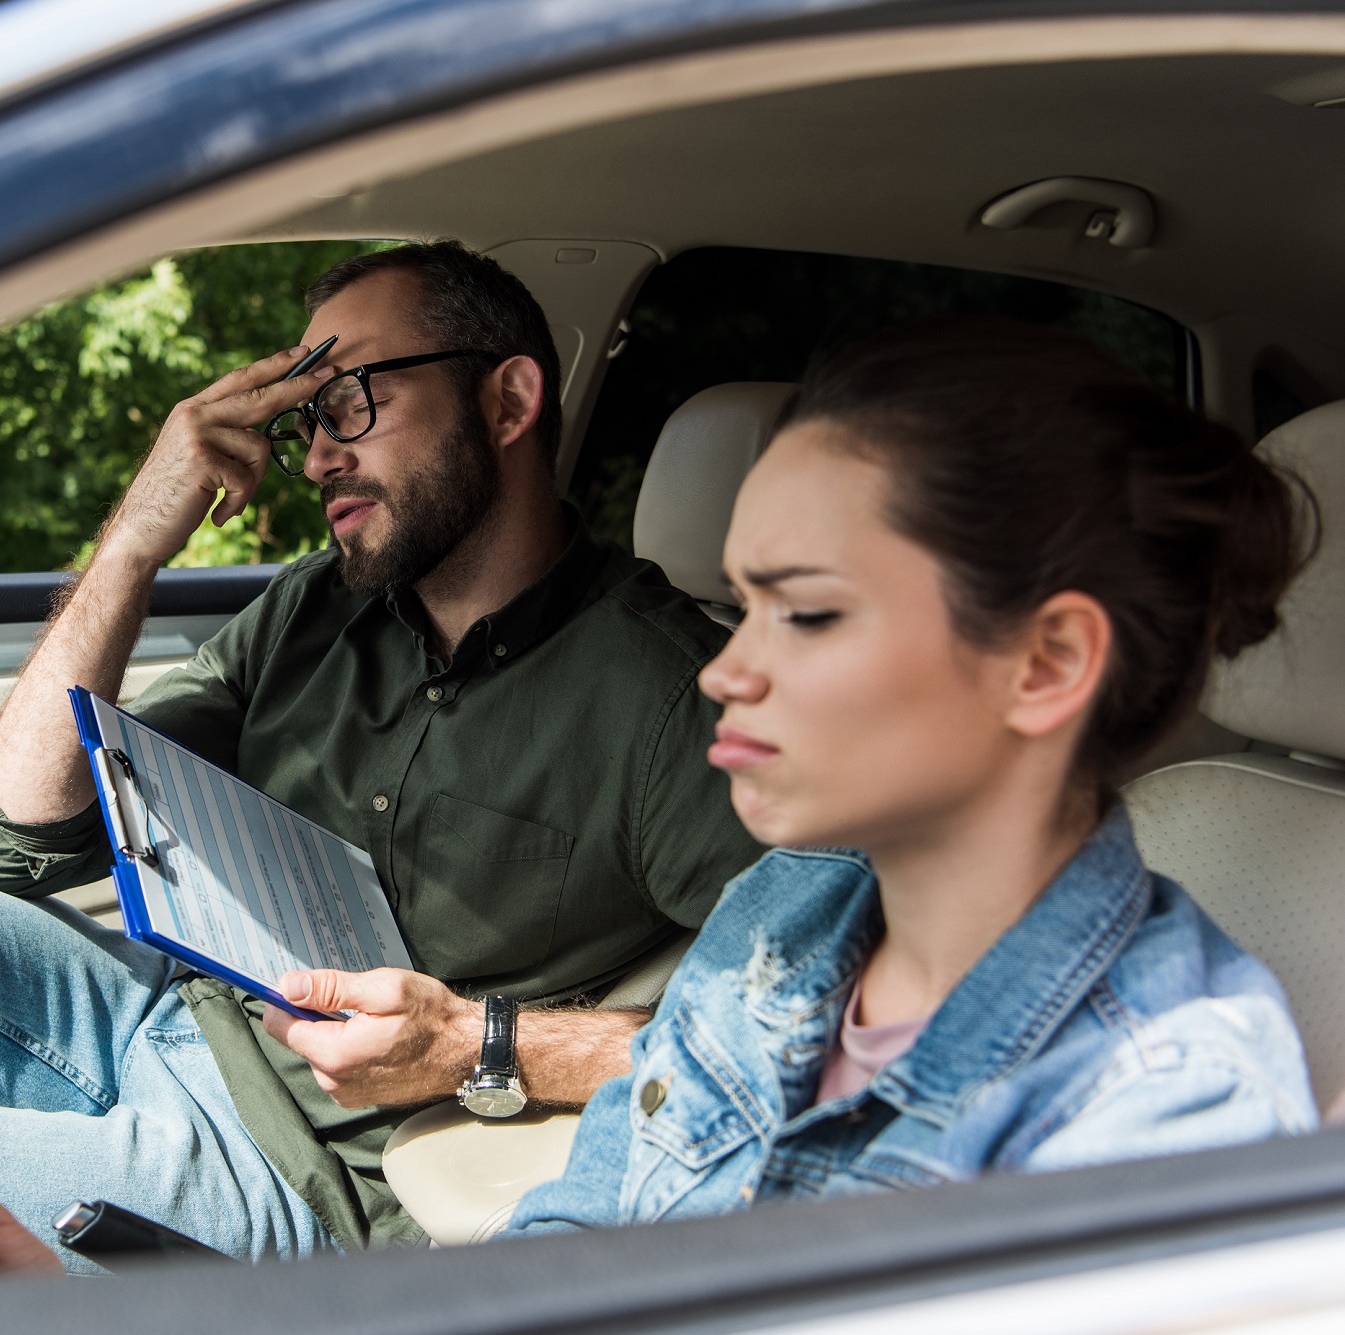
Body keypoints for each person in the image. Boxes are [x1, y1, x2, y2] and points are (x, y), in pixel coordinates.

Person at [0, 241, 762, 1269]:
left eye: (348, 402)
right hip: (162, 1007)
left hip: (301, 1175)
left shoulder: (673, 700)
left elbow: (789, 1031)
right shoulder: (312, 608)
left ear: (507, 402)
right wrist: (131, 546)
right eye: (304, 418)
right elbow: (24, 832)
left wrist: (474, 1043)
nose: (313, 457)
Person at [503, 319, 1319, 1237]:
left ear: (1047, 663)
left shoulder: (1167, 1107)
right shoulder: (783, 900)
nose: (723, 672)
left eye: (807, 612)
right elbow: (574, 1227)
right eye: (745, 606)